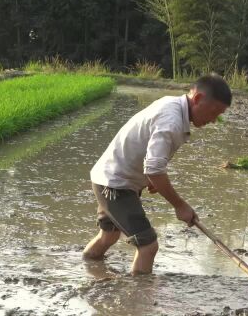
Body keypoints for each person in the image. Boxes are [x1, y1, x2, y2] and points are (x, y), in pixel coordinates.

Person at [82, 74, 232, 275]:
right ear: (197, 99)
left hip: (111, 177)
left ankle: (86, 270)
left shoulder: (172, 105)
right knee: (148, 246)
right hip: (115, 184)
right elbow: (154, 169)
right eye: (214, 112)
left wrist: (151, 179)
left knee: (108, 236)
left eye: (218, 115)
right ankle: (141, 301)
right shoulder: (171, 120)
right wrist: (180, 205)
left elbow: (151, 163)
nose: (213, 120)